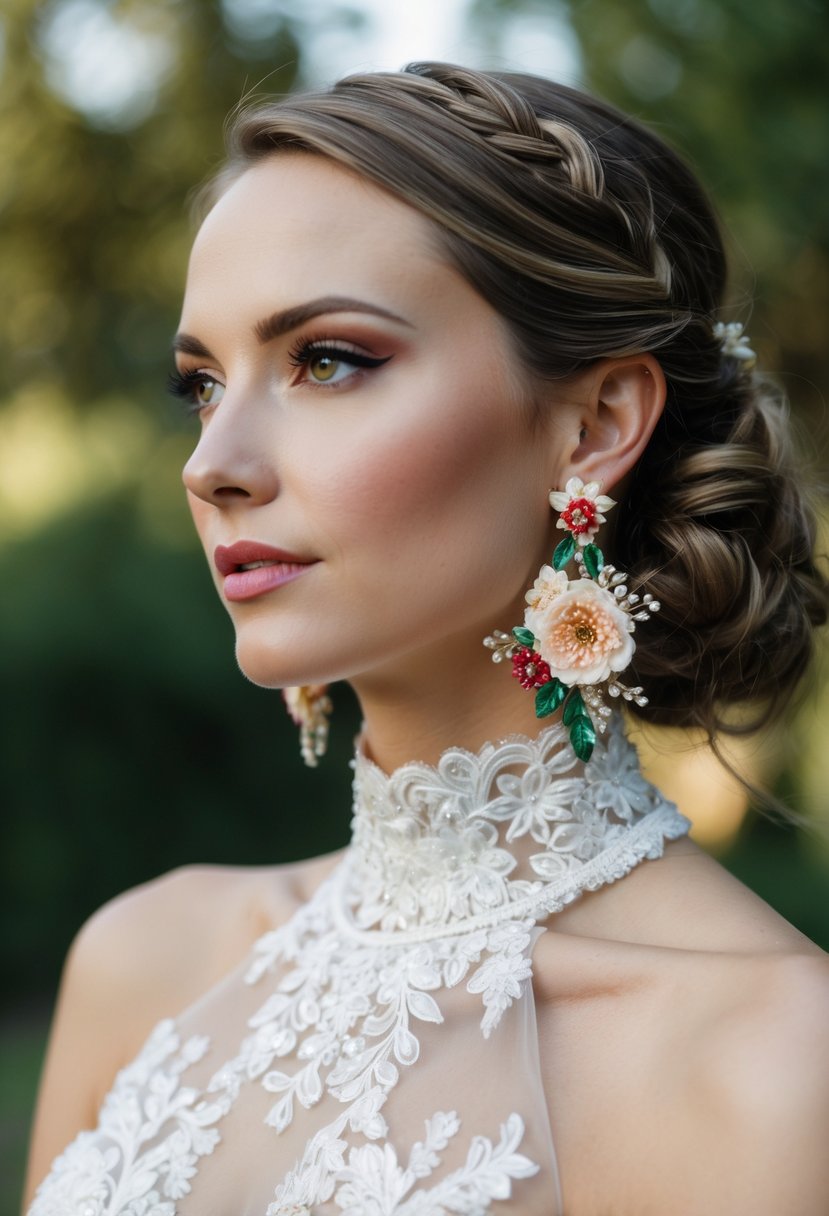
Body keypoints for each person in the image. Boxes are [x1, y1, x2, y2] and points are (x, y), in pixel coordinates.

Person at [23, 62, 829, 1215]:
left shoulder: (770, 1064)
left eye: (327, 360)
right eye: (200, 383)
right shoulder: (141, 959)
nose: (211, 465)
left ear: (594, 425)